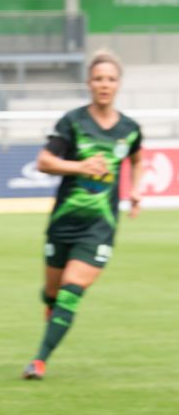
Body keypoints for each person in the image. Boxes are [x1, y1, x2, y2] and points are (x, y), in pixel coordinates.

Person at [22, 50, 144, 380]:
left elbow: (137, 159)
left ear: (118, 85)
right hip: (64, 223)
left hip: (100, 227)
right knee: (52, 292)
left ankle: (39, 360)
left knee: (72, 290)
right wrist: (80, 166)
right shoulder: (73, 122)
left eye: (111, 79)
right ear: (89, 83)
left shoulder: (130, 129)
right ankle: (52, 307)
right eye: (99, 78)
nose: (105, 84)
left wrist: (136, 190)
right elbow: (44, 162)